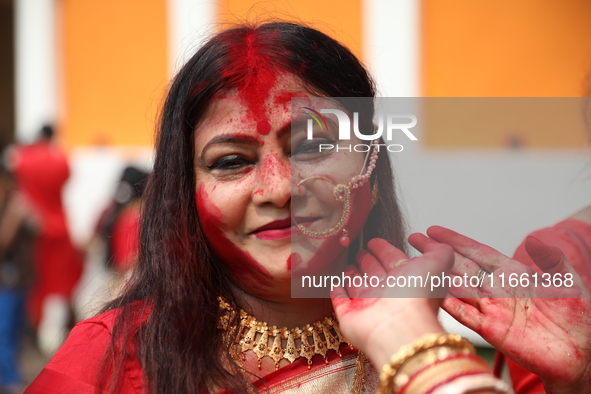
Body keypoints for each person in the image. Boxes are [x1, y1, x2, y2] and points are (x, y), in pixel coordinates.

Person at [25, 22, 510, 393]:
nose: (279, 190)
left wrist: (413, 353)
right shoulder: (106, 362)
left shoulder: (424, 342)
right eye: (232, 161)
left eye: (311, 148)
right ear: (185, 197)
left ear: (372, 171)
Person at [11, 125, 83, 356]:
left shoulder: (21, 159)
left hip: (33, 229)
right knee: (58, 285)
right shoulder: (61, 160)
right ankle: (51, 339)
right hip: (58, 228)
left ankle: (28, 333)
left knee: (32, 283)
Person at [0, 163, 36, 394]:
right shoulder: (12, 209)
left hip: (16, 281)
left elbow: (39, 229)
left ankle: (11, 379)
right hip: (9, 282)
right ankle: (10, 379)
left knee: (10, 333)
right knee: (5, 333)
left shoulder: (16, 206)